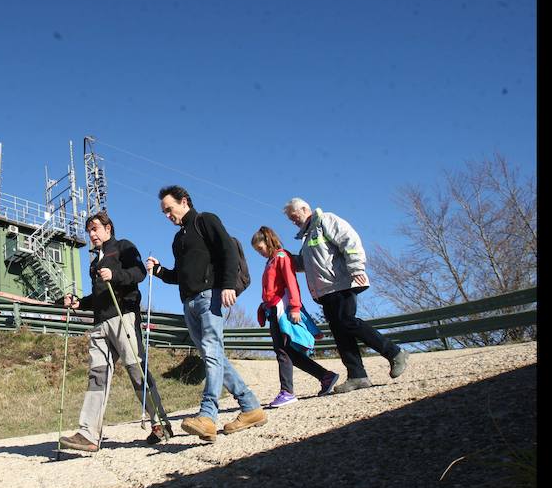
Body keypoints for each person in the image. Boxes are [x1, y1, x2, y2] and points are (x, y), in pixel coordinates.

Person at [146, 185, 266, 442]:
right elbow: (179, 275)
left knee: (211, 353)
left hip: (210, 297)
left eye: (169, 209)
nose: (168, 215)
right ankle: (251, 407)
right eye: (164, 212)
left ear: (184, 201)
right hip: (188, 303)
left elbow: (228, 251)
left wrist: (228, 285)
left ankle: (208, 415)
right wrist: (159, 271)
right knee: (214, 356)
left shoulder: (206, 220)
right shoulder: (178, 239)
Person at [59, 212, 173, 452]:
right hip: (100, 323)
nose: (91, 234)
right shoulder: (94, 262)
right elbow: (99, 296)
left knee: (136, 369)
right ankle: (89, 434)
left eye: (95, 228)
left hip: (124, 317)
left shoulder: (123, 247)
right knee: (96, 374)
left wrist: (116, 275)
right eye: (89, 230)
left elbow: (139, 273)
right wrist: (80, 303)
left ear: (108, 229)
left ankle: (160, 423)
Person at [283, 198, 410, 393]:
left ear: (304, 209)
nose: (294, 221)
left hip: (342, 283)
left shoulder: (326, 221)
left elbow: (349, 240)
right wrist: (285, 259)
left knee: (347, 321)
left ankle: (395, 352)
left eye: (294, 216)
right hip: (325, 291)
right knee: (340, 332)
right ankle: (357, 376)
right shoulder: (306, 237)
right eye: (291, 219)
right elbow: (306, 264)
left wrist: (357, 267)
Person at [250, 226, 340, 407]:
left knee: (282, 350)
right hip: (272, 309)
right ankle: (326, 376)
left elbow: (292, 284)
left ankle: (287, 392)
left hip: (283, 309)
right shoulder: (270, 261)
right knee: (288, 351)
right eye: (256, 250)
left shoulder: (282, 257)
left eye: (260, 248)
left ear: (268, 242)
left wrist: (295, 307)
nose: (259, 253)